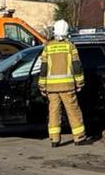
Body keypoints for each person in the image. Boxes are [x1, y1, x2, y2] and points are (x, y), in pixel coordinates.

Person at [38, 20, 93, 148]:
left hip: (51, 87)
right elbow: (77, 66)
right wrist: (80, 82)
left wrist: (42, 86)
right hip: (68, 86)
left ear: (54, 31)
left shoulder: (48, 47)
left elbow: (43, 68)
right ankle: (79, 138)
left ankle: (54, 139)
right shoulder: (70, 46)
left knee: (54, 112)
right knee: (73, 111)